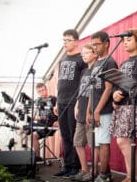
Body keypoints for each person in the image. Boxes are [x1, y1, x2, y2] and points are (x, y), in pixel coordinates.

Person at [110, 29, 137, 182]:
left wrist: (120, 93)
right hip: (122, 105)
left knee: (124, 140)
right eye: (124, 41)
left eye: (129, 40)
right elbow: (118, 82)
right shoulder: (124, 62)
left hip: (134, 104)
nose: (125, 43)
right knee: (123, 141)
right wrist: (115, 95)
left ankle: (133, 176)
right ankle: (133, 175)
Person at [53, 29, 87, 178]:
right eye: (63, 40)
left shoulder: (81, 60)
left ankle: (76, 167)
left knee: (74, 136)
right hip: (61, 102)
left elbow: (84, 83)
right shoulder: (62, 60)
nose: (65, 43)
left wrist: (79, 102)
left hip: (73, 102)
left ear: (76, 41)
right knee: (65, 136)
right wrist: (56, 102)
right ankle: (67, 165)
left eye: (68, 40)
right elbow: (59, 83)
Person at [86, 30, 118, 182]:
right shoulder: (95, 64)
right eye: (92, 45)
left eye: (96, 44)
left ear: (106, 44)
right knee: (97, 144)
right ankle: (105, 172)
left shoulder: (110, 62)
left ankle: (104, 176)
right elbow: (92, 89)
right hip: (95, 110)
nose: (94, 48)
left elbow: (108, 88)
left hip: (104, 110)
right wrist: (89, 110)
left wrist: (97, 110)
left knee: (104, 142)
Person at [71, 43, 100, 181]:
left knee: (92, 143)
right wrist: (77, 104)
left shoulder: (97, 69)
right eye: (82, 53)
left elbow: (96, 91)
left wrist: (91, 110)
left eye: (87, 53)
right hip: (81, 109)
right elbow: (81, 89)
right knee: (77, 141)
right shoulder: (84, 71)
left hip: (91, 110)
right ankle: (84, 169)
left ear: (95, 53)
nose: (83, 56)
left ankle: (93, 171)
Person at [20, 83, 58, 161]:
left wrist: (58, 121)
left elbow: (61, 111)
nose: (42, 93)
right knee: (22, 129)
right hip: (40, 122)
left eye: (43, 90)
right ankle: (25, 154)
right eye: (39, 91)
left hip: (50, 124)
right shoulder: (38, 100)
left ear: (46, 89)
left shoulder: (54, 99)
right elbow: (37, 116)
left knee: (33, 136)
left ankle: (38, 158)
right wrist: (32, 118)